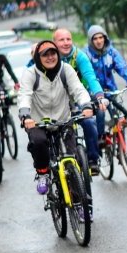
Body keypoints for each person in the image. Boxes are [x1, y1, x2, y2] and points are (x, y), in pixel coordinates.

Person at [18, 40, 93, 194]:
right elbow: (24, 95)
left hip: (63, 119)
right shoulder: (31, 73)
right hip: (38, 122)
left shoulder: (66, 70)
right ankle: (43, 173)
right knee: (39, 142)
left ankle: (79, 201)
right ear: (38, 57)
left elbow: (78, 90)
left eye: (53, 53)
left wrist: (86, 105)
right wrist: (25, 115)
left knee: (73, 160)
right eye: (45, 55)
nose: (50, 57)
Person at [53, 28, 107, 175]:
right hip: (57, 102)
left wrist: (99, 96)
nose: (66, 43)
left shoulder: (79, 56)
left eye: (68, 39)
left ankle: (92, 161)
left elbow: (90, 76)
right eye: (61, 40)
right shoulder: (50, 56)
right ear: (54, 42)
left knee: (90, 122)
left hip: (78, 97)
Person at [85, 25, 127, 140]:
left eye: (101, 37)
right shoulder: (86, 54)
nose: (99, 41)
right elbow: (86, 75)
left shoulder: (111, 52)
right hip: (94, 93)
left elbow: (122, 67)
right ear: (90, 40)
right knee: (101, 112)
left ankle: (119, 145)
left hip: (111, 90)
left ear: (105, 38)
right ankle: (100, 137)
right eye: (95, 38)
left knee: (118, 115)